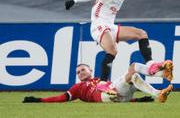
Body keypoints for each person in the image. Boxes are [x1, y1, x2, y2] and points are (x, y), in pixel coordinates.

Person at [65, 0, 169, 81]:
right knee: (112, 50)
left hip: (110, 25)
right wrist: (74, 0)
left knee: (141, 34)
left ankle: (150, 64)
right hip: (99, 25)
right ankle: (103, 84)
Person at [23, 60, 173, 103]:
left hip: (120, 98)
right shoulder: (78, 87)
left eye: (82, 70)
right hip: (104, 98)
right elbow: (61, 98)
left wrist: (138, 101)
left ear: (90, 71)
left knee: (133, 76)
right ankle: (161, 73)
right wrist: (38, 99)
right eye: (78, 72)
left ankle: (158, 93)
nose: (80, 73)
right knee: (133, 68)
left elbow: (121, 92)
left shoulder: (100, 80)